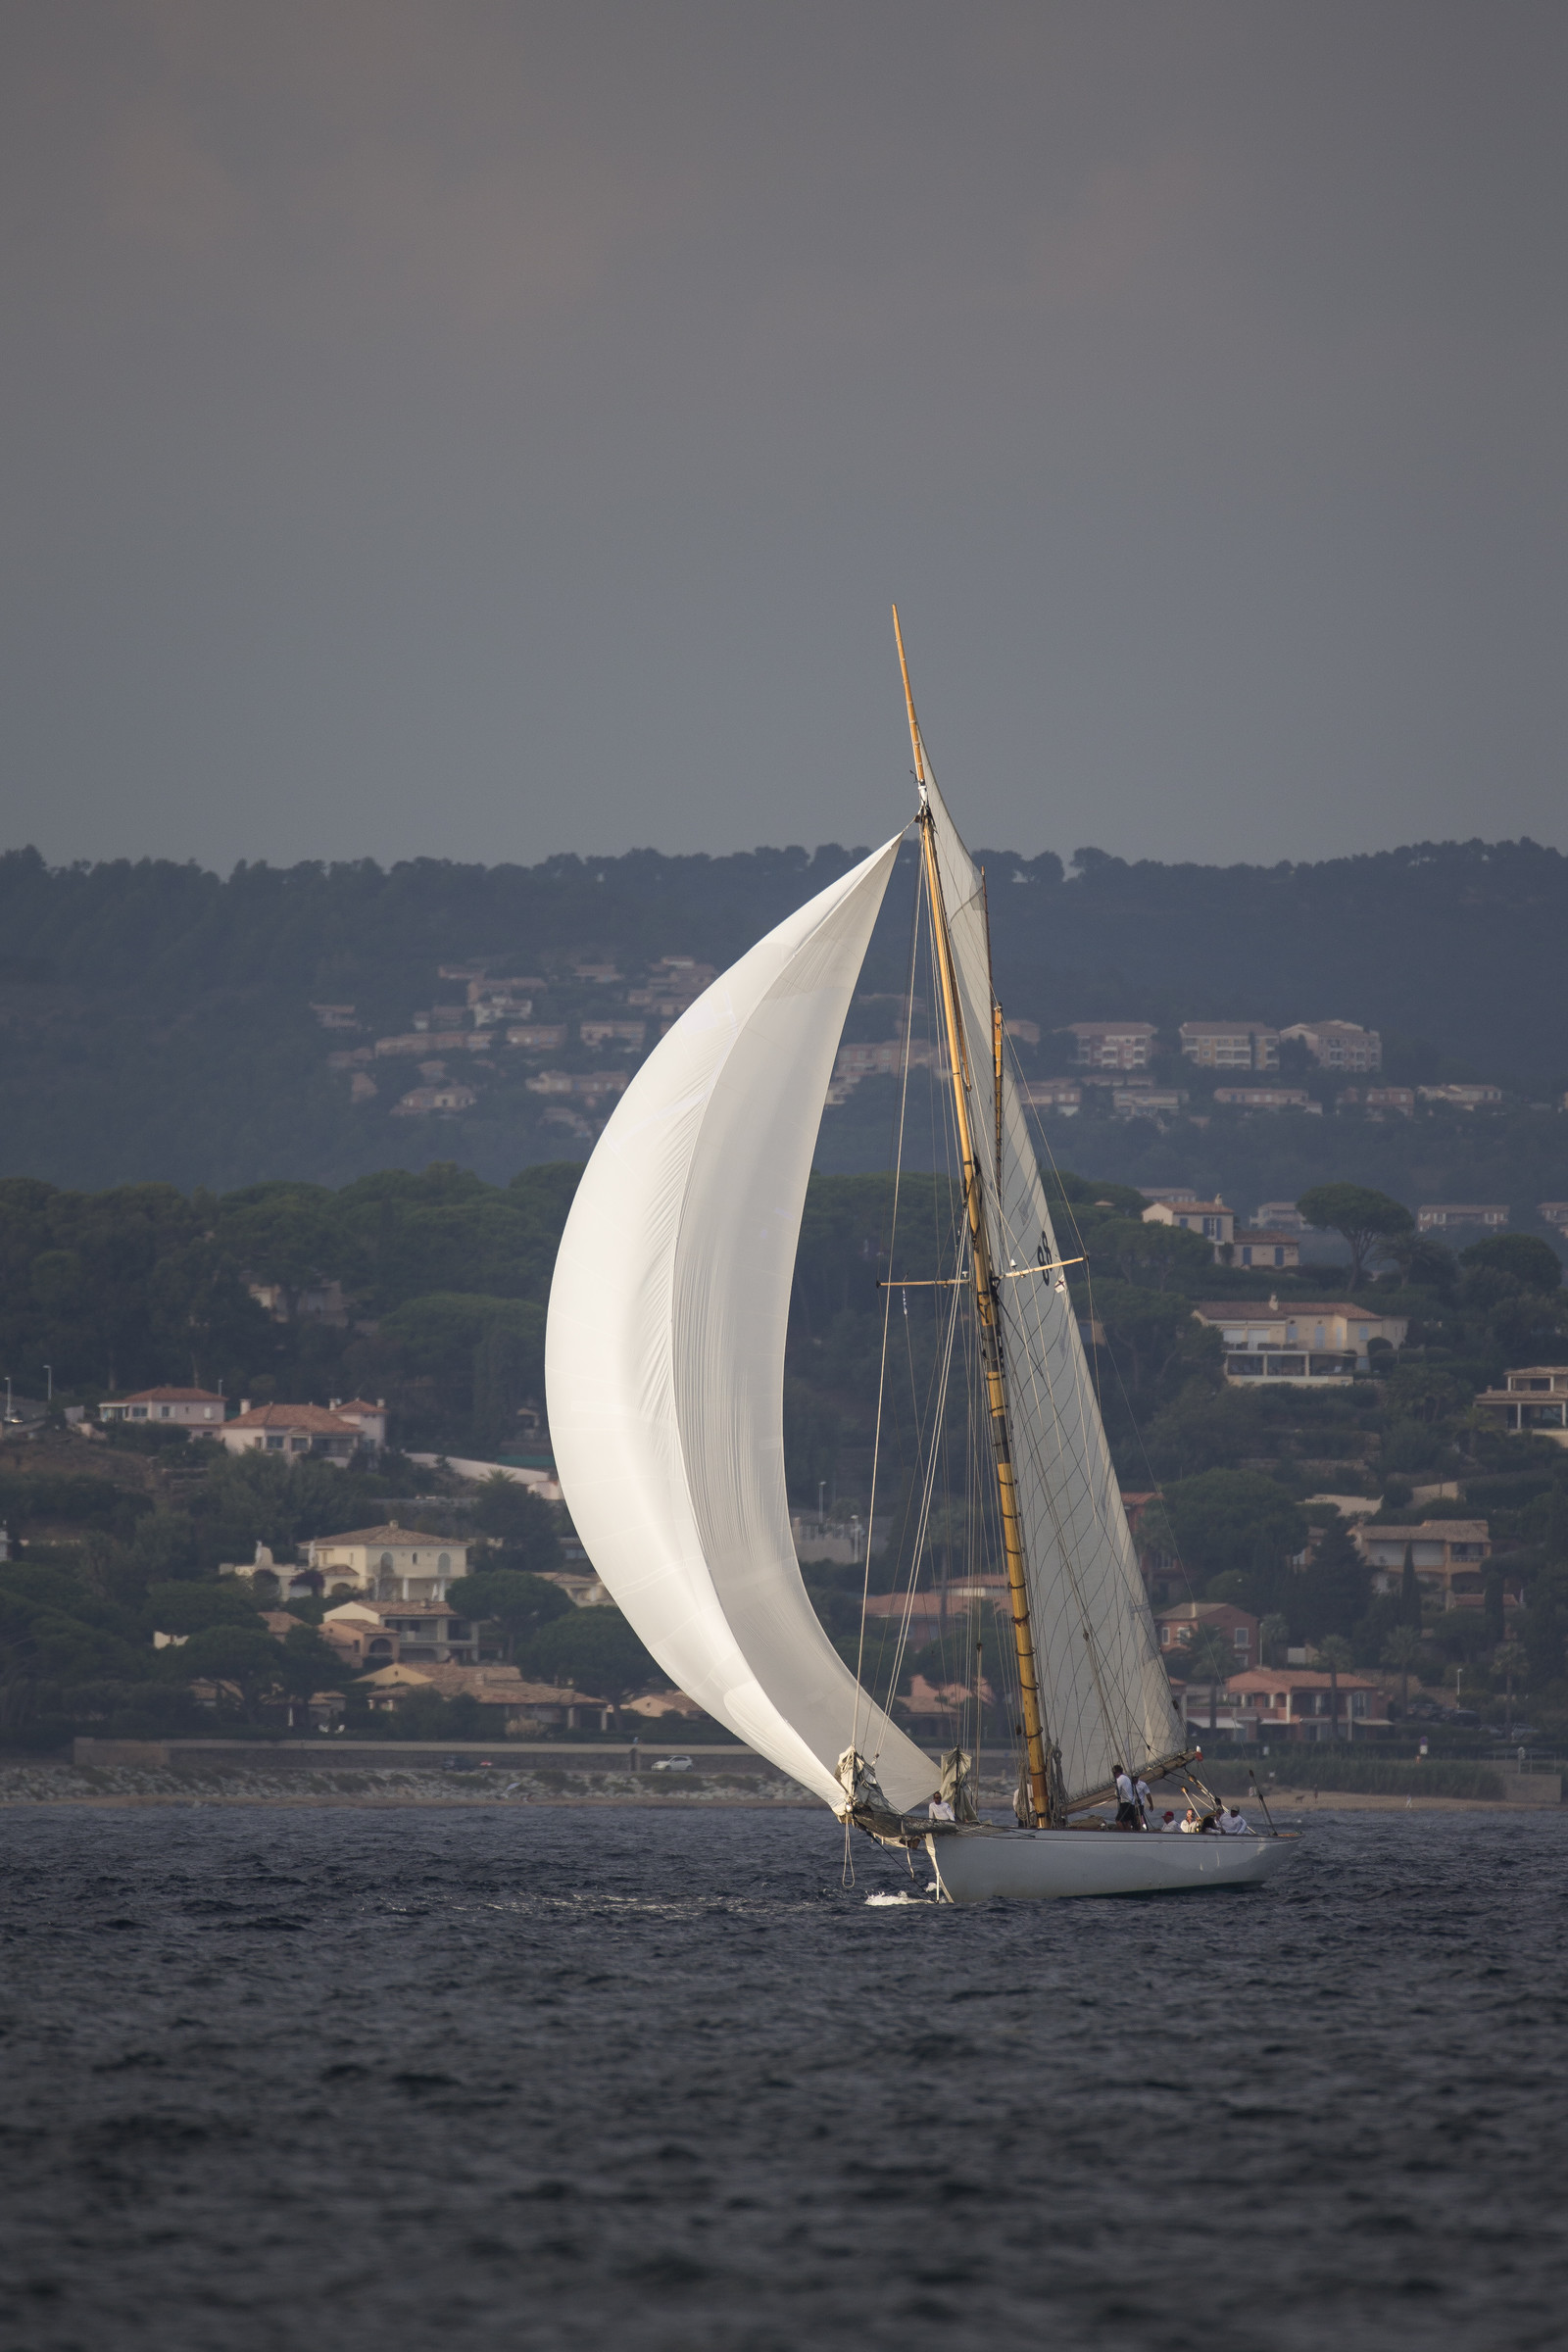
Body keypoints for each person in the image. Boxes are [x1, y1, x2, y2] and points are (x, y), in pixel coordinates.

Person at [1112, 1763, 1140, 1830]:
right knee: (1128, 1822)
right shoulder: (1126, 1778)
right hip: (1131, 1803)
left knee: (1118, 1821)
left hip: (1125, 1803)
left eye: (1114, 1773)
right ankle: (1129, 1836)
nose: (1114, 1775)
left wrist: (1115, 1794)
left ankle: (1123, 1836)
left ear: (1117, 1772)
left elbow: (1118, 1793)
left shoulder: (1119, 1779)